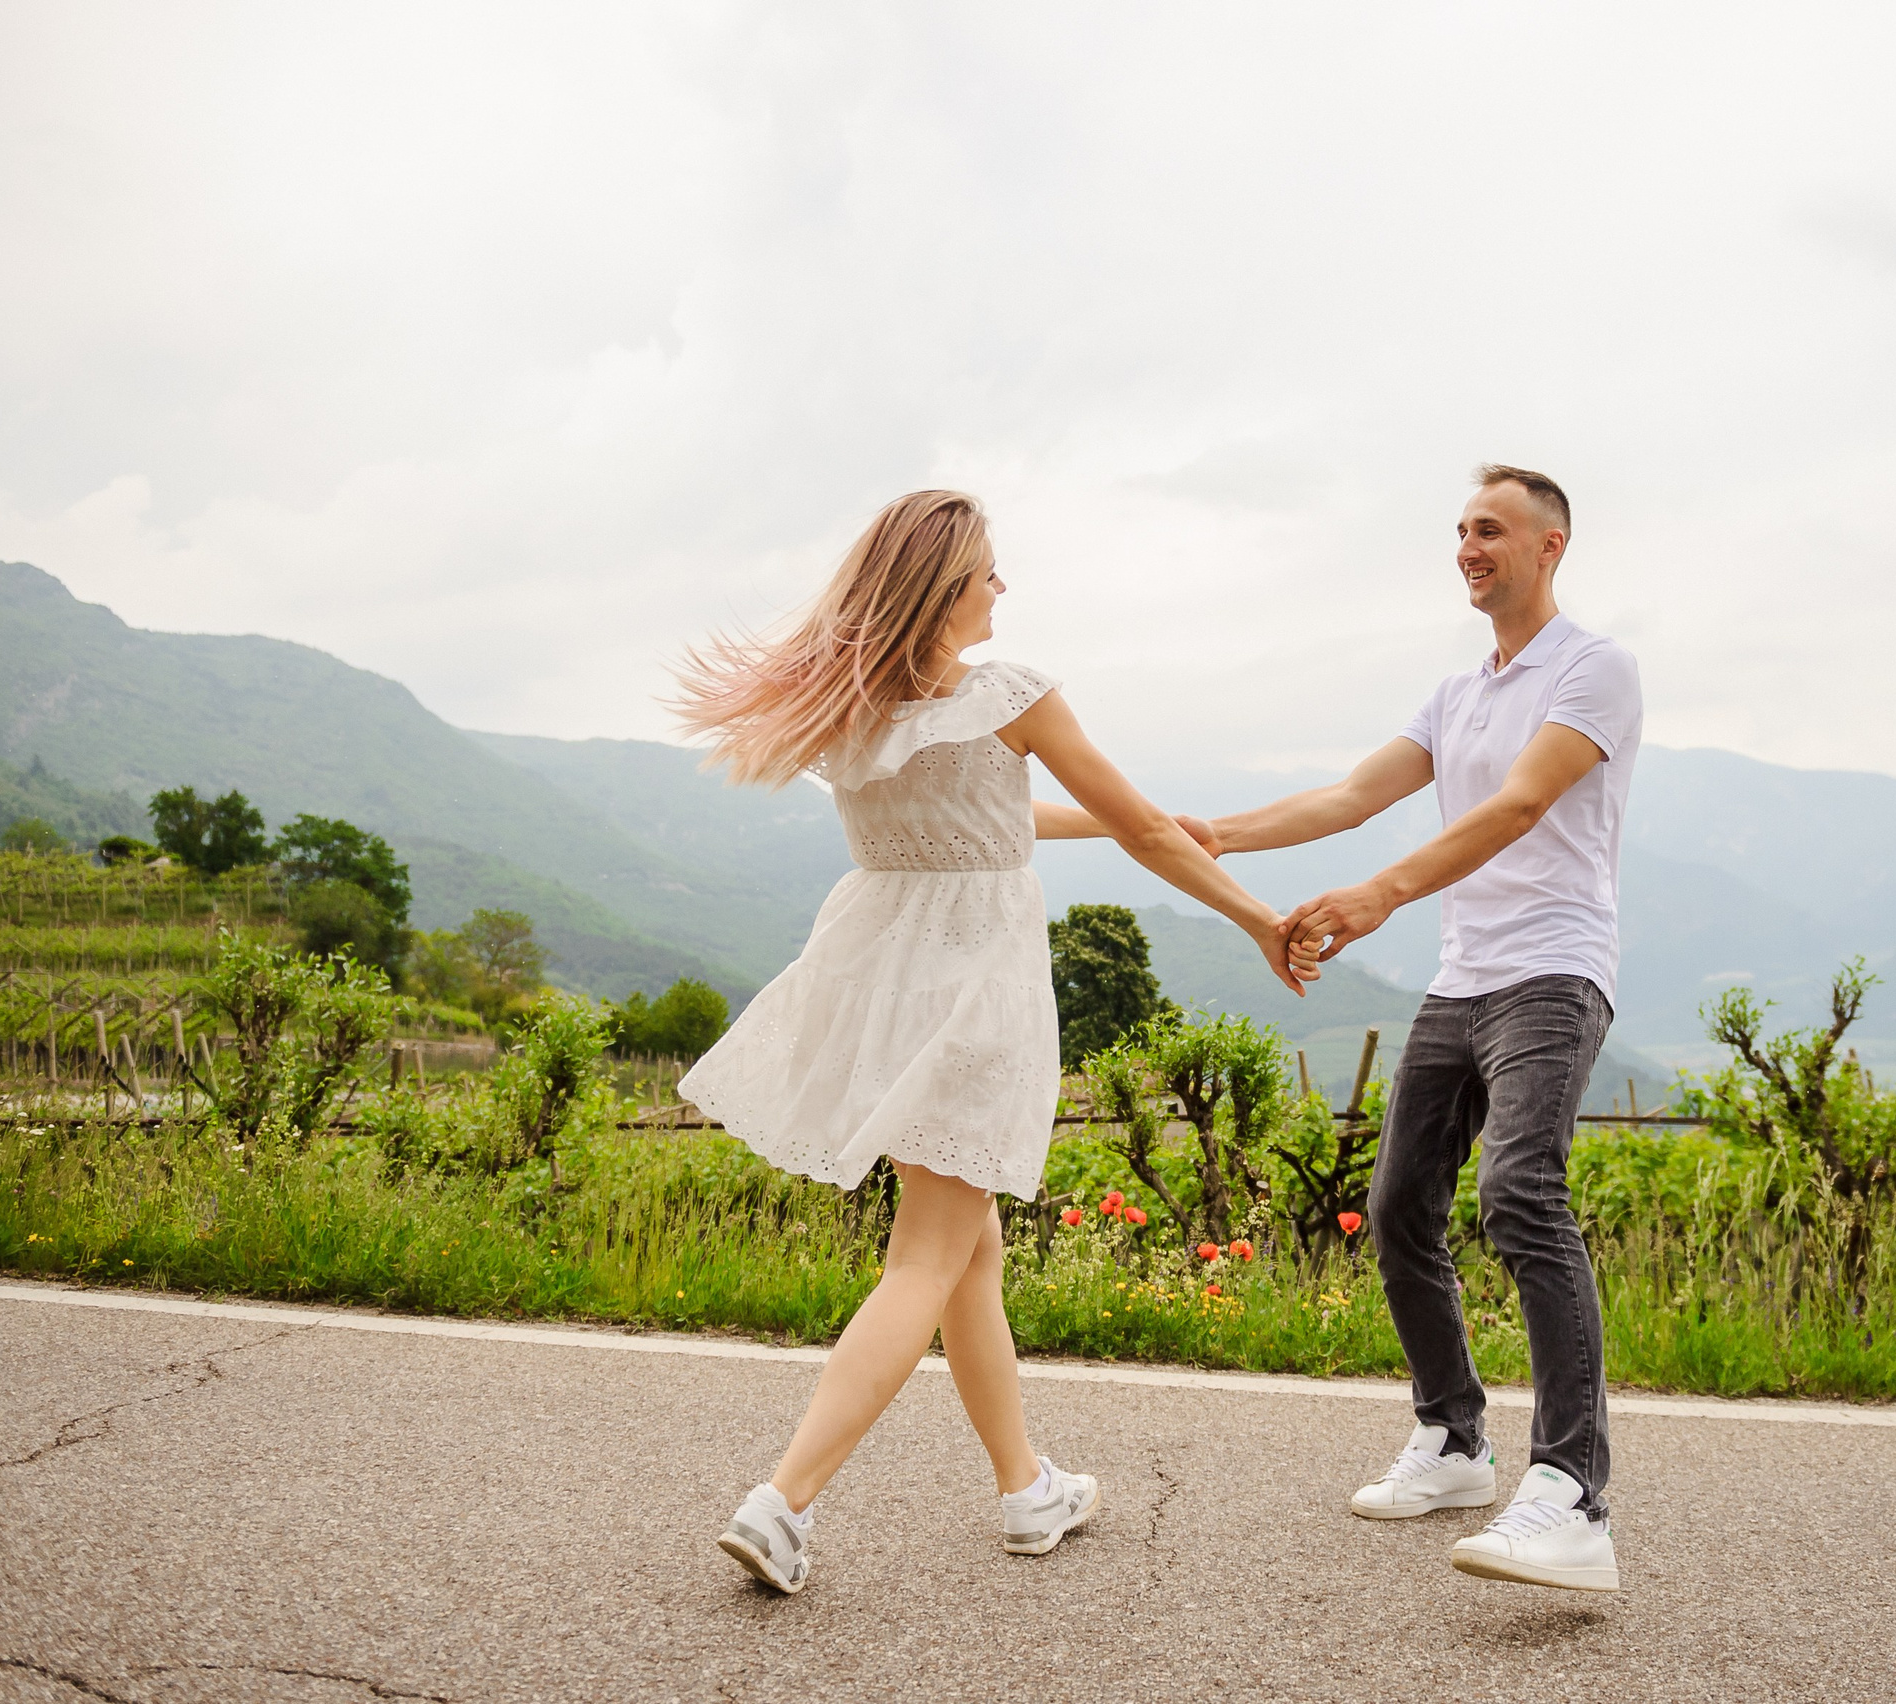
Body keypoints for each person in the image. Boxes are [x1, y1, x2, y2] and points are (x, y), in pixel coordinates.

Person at [672, 490, 1310, 1594]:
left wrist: (1138, 821)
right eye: (989, 573)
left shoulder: (853, 711)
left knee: (969, 1250)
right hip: (972, 991)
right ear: (947, 585)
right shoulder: (1011, 694)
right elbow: (1140, 829)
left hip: (878, 980)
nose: (1002, 589)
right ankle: (781, 1505)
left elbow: (994, 813)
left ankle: (1026, 1490)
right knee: (926, 1254)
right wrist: (1260, 917)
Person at [1188, 464, 1640, 1593]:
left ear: (1550, 545)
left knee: (1520, 1193)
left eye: (1489, 529)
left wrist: (1377, 896)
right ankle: (1453, 1441)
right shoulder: (1455, 694)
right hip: (1461, 981)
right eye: (1458, 531)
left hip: (1551, 972)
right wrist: (1214, 836)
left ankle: (1573, 1491)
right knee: (1396, 1207)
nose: (1466, 547)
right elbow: (1347, 797)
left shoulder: (1594, 668)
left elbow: (1520, 805)